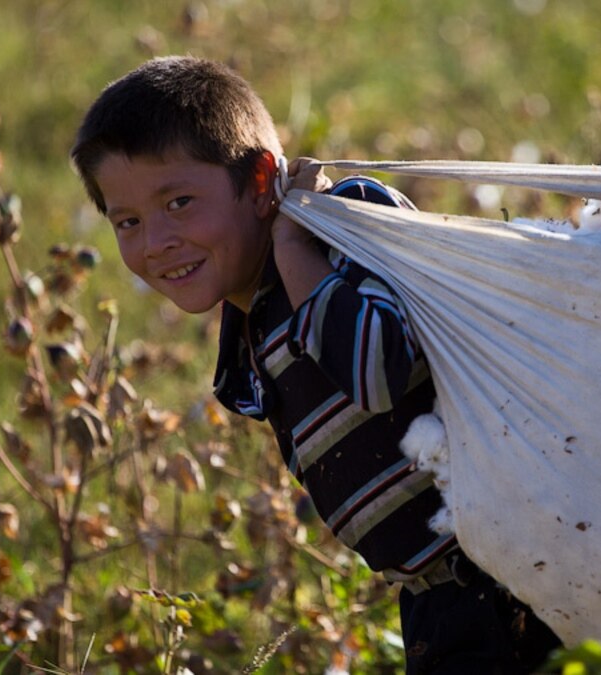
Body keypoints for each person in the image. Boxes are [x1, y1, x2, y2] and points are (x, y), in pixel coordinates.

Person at [69, 55, 562, 673]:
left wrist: (295, 244)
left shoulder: (347, 227)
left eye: (179, 202)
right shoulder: (250, 332)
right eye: (129, 222)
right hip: (435, 603)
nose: (155, 242)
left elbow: (379, 374)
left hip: (523, 577)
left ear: (259, 184)